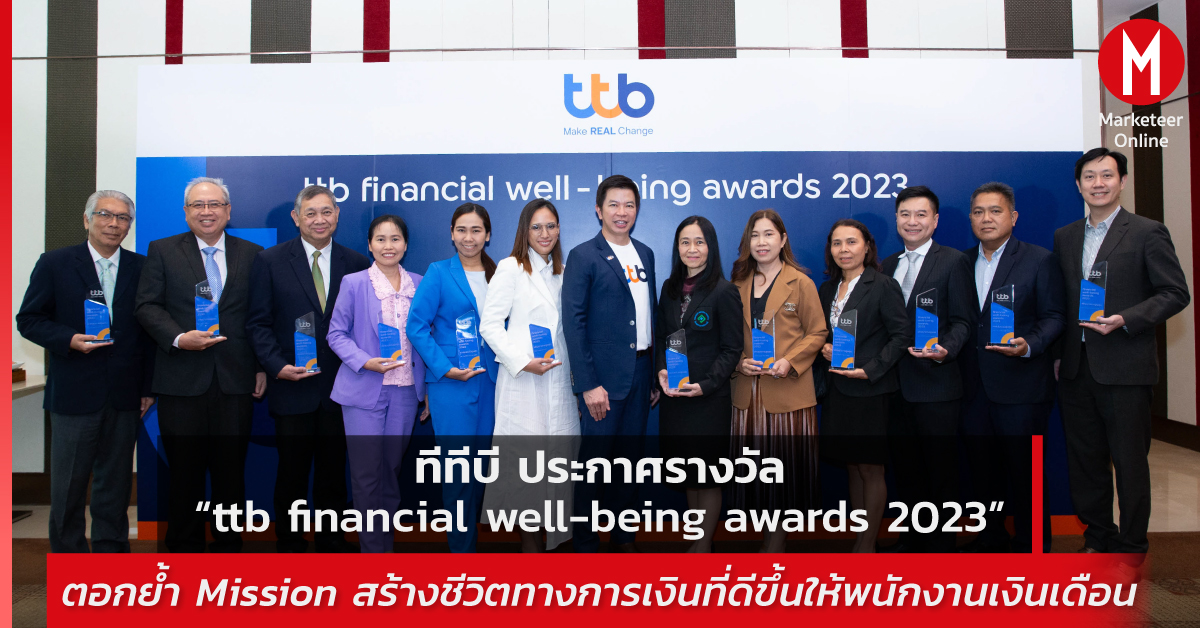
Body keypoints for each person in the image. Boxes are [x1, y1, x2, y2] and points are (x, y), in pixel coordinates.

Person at [1053, 147, 1189, 555]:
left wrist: (1126, 318)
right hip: (1076, 369)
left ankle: (1131, 542)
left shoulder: (1148, 232)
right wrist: (1059, 354)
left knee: (1129, 462)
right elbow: (1061, 301)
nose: (1098, 183)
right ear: (1078, 185)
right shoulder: (1066, 236)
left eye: (1107, 175)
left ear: (1122, 181)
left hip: (1126, 367)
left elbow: (1174, 292)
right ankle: (1098, 536)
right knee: (1086, 461)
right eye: (1089, 177)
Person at [16, 190, 154, 553]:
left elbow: (149, 334)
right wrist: (68, 339)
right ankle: (69, 560)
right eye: (105, 214)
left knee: (115, 485)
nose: (113, 223)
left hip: (125, 394)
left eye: (122, 217)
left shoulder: (142, 267)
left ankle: (111, 558)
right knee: (69, 487)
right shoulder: (55, 263)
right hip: (74, 393)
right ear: (86, 219)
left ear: (129, 225)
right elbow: (29, 319)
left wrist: (147, 388)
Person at [135, 177, 267, 552]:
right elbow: (146, 306)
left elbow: (258, 315)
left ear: (228, 210)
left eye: (214, 204)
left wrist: (260, 365)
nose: (206, 211)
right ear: (186, 212)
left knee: (231, 476)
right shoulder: (162, 250)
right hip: (181, 380)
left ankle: (228, 551)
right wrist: (179, 338)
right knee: (184, 476)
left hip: (235, 381)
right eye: (198, 205)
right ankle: (183, 555)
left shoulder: (253, 253)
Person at [246, 184, 370, 553]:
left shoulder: (357, 263)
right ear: (296, 217)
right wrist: (275, 366)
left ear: (337, 215)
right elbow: (258, 323)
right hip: (291, 385)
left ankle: (332, 543)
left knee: (334, 474)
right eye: (311, 212)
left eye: (326, 211)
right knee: (292, 474)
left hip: (341, 387)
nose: (319, 219)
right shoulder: (269, 261)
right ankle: (290, 544)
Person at [958, 182, 1066, 554]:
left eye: (995, 211)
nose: (986, 219)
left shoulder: (1039, 259)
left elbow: (1055, 316)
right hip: (973, 390)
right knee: (982, 473)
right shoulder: (961, 262)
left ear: (1013, 217)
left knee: (1027, 475)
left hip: (1022, 388)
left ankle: (1032, 547)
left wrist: (1029, 344)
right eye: (978, 212)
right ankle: (991, 539)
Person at [563, 174, 657, 553]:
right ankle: (585, 544)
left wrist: (653, 376)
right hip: (602, 381)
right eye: (614, 205)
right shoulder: (584, 255)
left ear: (637, 210)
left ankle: (623, 540)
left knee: (630, 466)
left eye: (629, 205)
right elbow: (574, 323)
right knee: (593, 468)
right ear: (599, 210)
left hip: (641, 374)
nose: (622, 212)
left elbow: (648, 316)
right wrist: (587, 384)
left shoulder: (645, 253)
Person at [879, 185, 975, 553]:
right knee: (906, 471)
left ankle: (942, 548)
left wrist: (945, 349)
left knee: (941, 472)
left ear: (935, 221)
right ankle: (912, 541)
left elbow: (964, 320)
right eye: (905, 214)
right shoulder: (887, 265)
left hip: (936, 385)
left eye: (921, 215)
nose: (912, 221)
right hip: (895, 387)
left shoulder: (953, 261)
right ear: (896, 219)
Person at [479, 198, 578, 552]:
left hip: (559, 381)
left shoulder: (564, 271)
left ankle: (554, 549)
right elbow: (490, 325)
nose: (544, 233)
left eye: (550, 226)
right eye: (536, 227)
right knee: (526, 468)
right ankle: (530, 550)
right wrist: (522, 362)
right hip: (523, 381)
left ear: (559, 229)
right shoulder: (510, 268)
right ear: (525, 230)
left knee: (558, 466)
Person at [327, 214, 427, 554]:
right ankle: (373, 556)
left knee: (390, 472)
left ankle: (385, 548)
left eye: (395, 238)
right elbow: (336, 334)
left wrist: (427, 389)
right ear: (369, 245)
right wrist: (364, 361)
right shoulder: (354, 283)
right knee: (367, 476)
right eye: (380, 239)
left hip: (405, 392)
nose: (388, 246)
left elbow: (425, 338)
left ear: (405, 244)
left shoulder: (419, 283)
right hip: (363, 390)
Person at [729, 209, 827, 553]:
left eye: (769, 234)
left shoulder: (801, 282)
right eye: (755, 235)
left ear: (783, 239)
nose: (762, 242)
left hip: (787, 394)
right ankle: (766, 540)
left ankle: (775, 546)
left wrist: (791, 361)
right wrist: (738, 363)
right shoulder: (736, 284)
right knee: (754, 474)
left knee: (785, 474)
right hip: (747, 396)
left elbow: (817, 332)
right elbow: (728, 339)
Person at [407, 203, 499, 553]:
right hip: (451, 384)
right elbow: (416, 326)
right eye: (461, 230)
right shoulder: (438, 272)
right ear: (451, 233)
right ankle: (462, 555)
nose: (468, 237)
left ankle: (473, 543)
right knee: (458, 472)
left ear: (488, 235)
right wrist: (444, 368)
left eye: (476, 230)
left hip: (493, 382)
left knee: (483, 470)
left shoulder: (501, 273)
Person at [817, 219, 910, 553]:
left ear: (867, 247)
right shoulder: (827, 289)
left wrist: (870, 369)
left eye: (852, 242)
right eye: (837, 243)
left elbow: (901, 336)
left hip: (870, 391)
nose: (844, 249)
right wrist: (823, 347)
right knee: (852, 466)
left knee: (870, 468)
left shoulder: (883, 285)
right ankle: (862, 538)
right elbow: (820, 333)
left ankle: (867, 546)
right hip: (838, 390)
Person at [655, 216, 742, 553]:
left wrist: (706, 385)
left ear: (710, 247)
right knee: (687, 473)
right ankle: (696, 540)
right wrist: (661, 370)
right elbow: (662, 336)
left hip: (708, 400)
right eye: (685, 242)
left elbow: (732, 349)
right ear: (677, 247)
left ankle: (703, 546)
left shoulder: (724, 291)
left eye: (699, 242)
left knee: (707, 476)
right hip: (675, 398)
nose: (692, 249)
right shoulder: (669, 288)